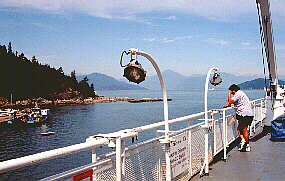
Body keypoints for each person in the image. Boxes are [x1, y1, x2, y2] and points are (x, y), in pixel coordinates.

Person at [226, 84, 254, 152]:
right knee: (239, 129)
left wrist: (229, 94)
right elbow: (235, 103)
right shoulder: (240, 94)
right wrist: (227, 105)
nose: (231, 93)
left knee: (244, 129)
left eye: (231, 92)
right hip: (246, 114)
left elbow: (230, 101)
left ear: (233, 90)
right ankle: (244, 140)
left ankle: (247, 145)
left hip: (245, 114)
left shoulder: (238, 93)